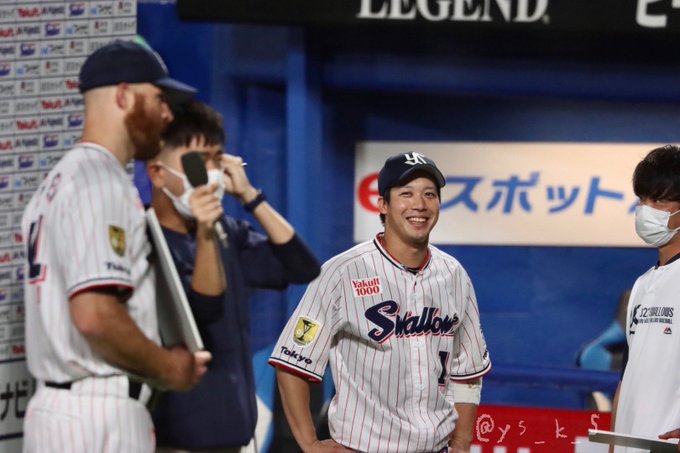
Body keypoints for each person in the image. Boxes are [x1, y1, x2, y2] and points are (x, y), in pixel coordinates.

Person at [21, 40, 212, 453]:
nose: (167, 114)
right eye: (159, 99)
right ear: (123, 95)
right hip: (95, 413)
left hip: (67, 410)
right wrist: (169, 367)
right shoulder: (99, 183)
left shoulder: (61, 179)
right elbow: (94, 315)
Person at [269, 151, 492, 453]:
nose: (420, 204)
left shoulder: (454, 275)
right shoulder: (342, 272)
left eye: (429, 194)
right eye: (406, 193)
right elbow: (292, 361)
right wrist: (309, 444)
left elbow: (467, 371)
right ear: (383, 205)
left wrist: (462, 443)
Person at [145, 100, 322, 452]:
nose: (211, 172)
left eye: (217, 158)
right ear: (158, 173)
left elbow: (302, 267)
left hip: (236, 436)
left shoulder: (229, 231)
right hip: (174, 440)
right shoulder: (145, 240)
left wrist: (250, 197)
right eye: (198, 161)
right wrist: (207, 231)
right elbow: (205, 310)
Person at [610, 144, 680, 453]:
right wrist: (614, 444)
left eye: (660, 200)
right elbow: (626, 377)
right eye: (642, 199)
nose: (645, 209)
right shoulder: (641, 285)